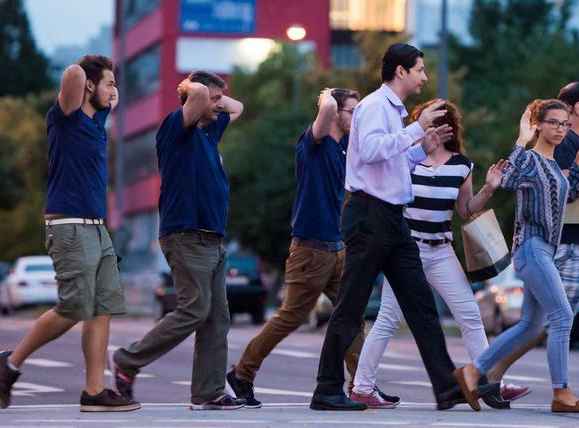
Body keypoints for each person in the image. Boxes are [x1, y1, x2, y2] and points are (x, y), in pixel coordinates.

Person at [310, 43, 500, 412]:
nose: (424, 77)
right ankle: (327, 389)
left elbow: (391, 162)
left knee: (421, 306)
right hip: (369, 217)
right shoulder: (373, 106)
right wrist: (416, 129)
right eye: (419, 70)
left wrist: (419, 146)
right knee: (351, 307)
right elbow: (369, 152)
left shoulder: (393, 112)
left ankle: (447, 388)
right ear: (401, 71)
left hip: (395, 221)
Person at [349, 99, 526, 408]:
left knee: (470, 316)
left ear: (452, 129)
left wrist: (489, 189)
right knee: (388, 319)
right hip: (405, 251)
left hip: (441, 251)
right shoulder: (404, 158)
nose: (436, 129)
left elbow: (465, 210)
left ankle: (489, 384)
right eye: (430, 123)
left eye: (443, 124)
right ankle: (362, 387)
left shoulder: (462, 165)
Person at [0, 55, 139, 412]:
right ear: (88, 85)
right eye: (109, 83)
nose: (114, 89)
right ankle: (9, 366)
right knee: (73, 307)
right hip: (68, 226)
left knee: (101, 309)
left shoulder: (97, 119)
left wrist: (108, 89)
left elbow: (106, 97)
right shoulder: (65, 116)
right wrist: (89, 72)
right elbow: (73, 73)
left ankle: (94, 391)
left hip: (98, 229)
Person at [480, 82, 579, 409]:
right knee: (544, 321)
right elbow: (565, 190)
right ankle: (490, 374)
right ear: (578, 107)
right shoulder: (563, 142)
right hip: (570, 246)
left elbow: (569, 189)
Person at [226, 88, 371, 409]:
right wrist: (326, 97)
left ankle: (362, 384)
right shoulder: (313, 144)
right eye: (352, 112)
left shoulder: (344, 147)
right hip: (310, 251)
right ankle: (242, 373)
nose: (357, 118)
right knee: (291, 316)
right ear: (335, 113)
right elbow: (329, 108)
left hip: (336, 249)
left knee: (351, 316)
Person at [454, 99, 579, 413]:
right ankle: (562, 393)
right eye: (553, 123)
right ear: (538, 125)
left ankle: (472, 371)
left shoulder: (552, 165)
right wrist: (521, 141)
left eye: (564, 124)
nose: (560, 129)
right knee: (562, 317)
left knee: (531, 326)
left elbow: (571, 191)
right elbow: (506, 179)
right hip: (532, 249)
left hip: (545, 251)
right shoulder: (531, 160)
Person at [112, 71, 245, 411]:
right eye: (212, 99)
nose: (218, 105)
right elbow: (199, 96)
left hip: (212, 237)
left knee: (217, 318)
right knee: (194, 310)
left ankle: (209, 390)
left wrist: (216, 96)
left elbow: (238, 106)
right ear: (192, 100)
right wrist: (199, 92)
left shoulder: (209, 133)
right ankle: (128, 360)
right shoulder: (175, 128)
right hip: (186, 234)